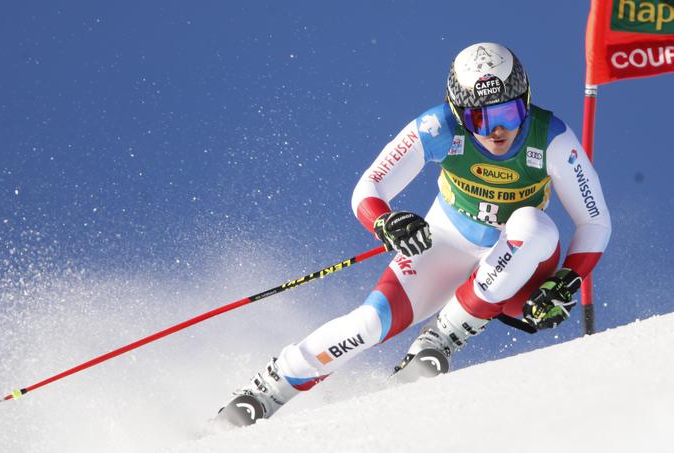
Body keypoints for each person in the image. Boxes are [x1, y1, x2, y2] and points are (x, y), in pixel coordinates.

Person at [216, 42, 611, 426]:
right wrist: (384, 221)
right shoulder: (437, 127)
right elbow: (369, 187)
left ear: (526, 100)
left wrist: (566, 279)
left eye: (508, 113)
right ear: (459, 114)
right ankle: (266, 390)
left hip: (518, 264)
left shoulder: (552, 138)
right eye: (479, 119)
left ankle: (442, 338)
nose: (497, 131)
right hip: (444, 241)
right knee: (369, 324)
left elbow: (594, 222)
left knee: (533, 224)